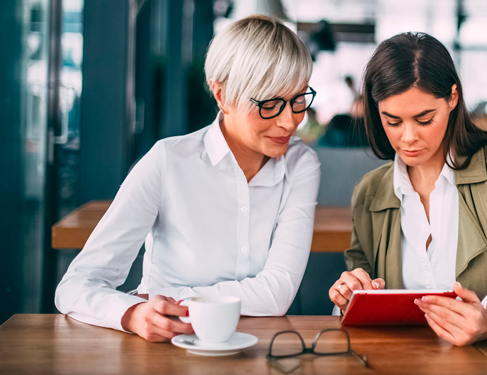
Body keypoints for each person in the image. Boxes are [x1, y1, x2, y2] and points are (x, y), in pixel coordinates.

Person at [55, 15, 320, 342]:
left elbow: (277, 293)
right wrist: (132, 313)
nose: (290, 121)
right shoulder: (168, 160)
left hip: (259, 349)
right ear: (221, 94)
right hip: (166, 345)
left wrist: (164, 296)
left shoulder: (301, 164)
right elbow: (76, 285)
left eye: (298, 100)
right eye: (270, 105)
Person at [328, 32, 487, 346]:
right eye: (392, 121)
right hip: (400, 362)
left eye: (424, 119)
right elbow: (363, 290)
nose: (407, 138)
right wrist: (350, 294)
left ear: (453, 98)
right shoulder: (369, 193)